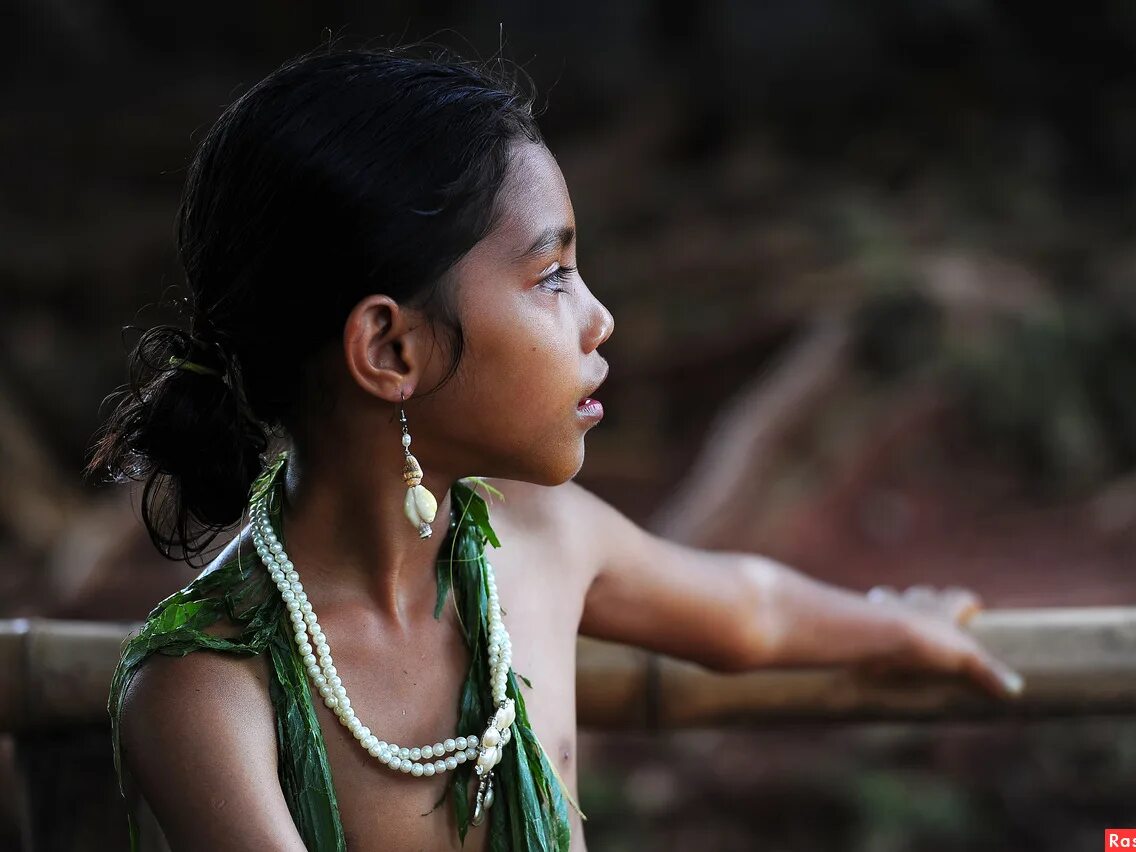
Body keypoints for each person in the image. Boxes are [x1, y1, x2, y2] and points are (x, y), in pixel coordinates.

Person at [87, 46, 1024, 852]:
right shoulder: (205, 688)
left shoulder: (543, 538)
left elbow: (751, 610)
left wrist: (903, 626)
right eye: (553, 276)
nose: (599, 317)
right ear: (391, 349)